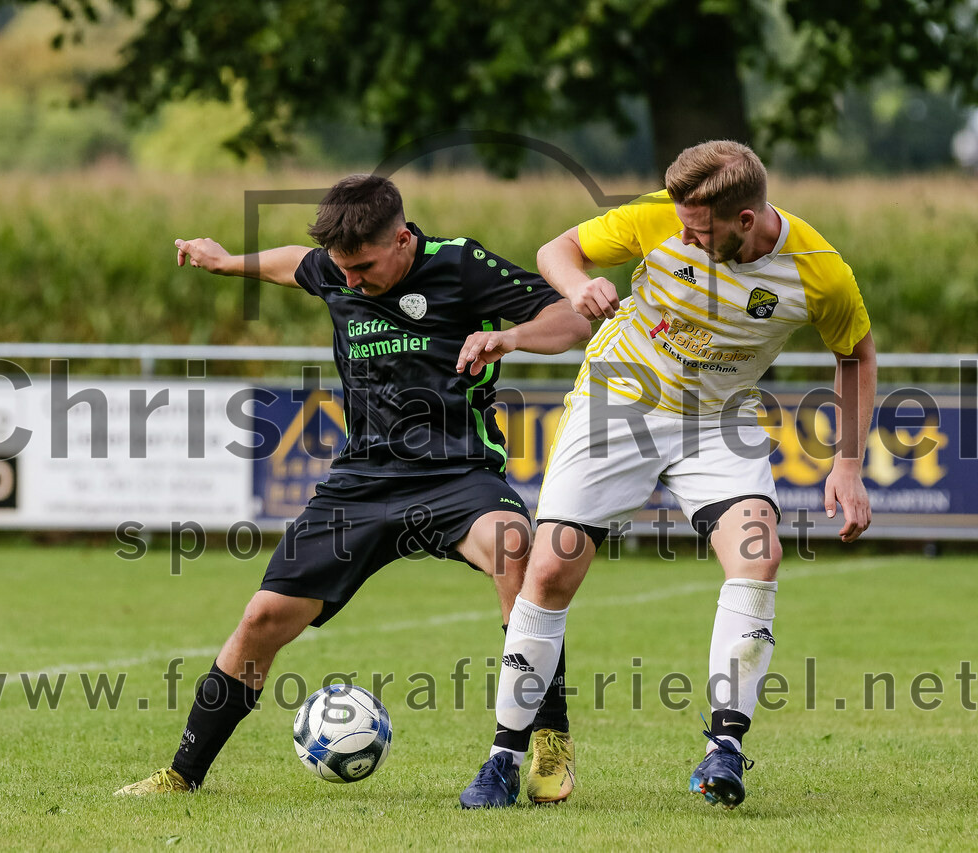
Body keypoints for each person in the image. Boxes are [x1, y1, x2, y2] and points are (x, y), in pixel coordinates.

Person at [114, 174, 591, 801]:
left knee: (515, 551)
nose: (353, 281)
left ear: (401, 238)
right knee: (262, 618)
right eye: (344, 271)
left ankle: (548, 741)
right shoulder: (339, 269)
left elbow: (569, 319)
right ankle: (181, 775)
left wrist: (508, 337)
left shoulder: (461, 265)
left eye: (364, 267)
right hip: (362, 480)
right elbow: (297, 264)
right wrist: (228, 262)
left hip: (459, 473)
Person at [459, 140, 876, 809]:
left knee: (758, 554)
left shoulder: (819, 272)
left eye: (697, 229)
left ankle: (725, 750)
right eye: (679, 220)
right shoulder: (660, 214)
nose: (680, 232)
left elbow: (854, 354)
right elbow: (557, 250)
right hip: (616, 403)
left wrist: (848, 462)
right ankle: (504, 756)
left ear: (746, 220)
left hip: (718, 421)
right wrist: (577, 284)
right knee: (549, 571)